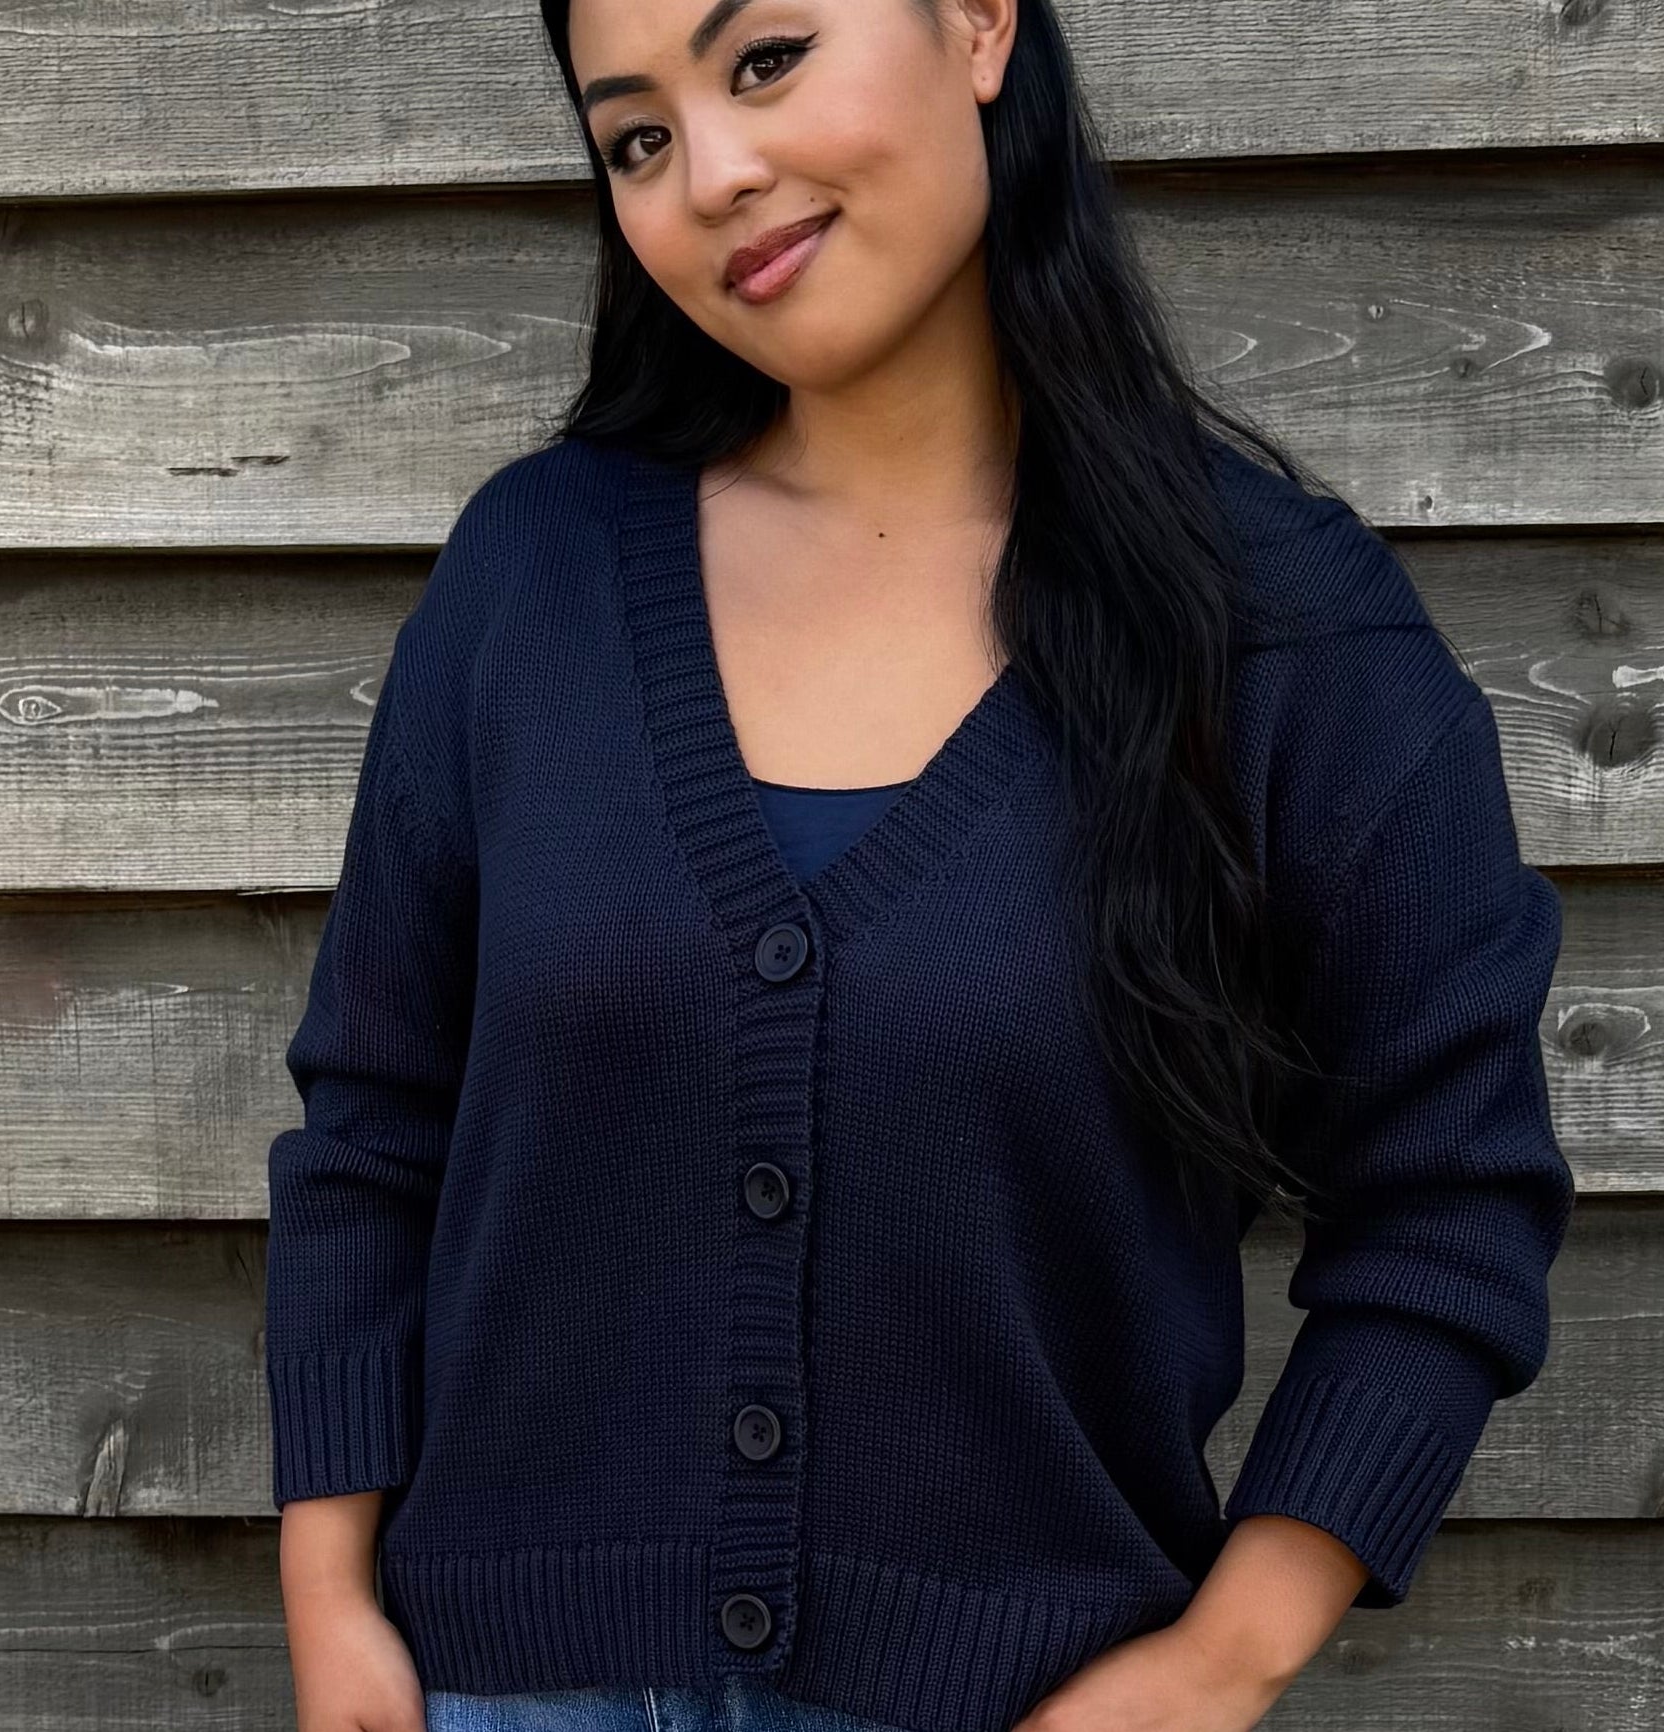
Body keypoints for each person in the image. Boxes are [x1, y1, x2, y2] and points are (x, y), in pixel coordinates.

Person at [264, 3, 1577, 1730]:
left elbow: (1449, 1198)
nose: (713, 174)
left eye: (766, 59)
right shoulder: (535, 582)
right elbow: (373, 1126)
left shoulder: (1286, 640)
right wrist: (330, 1594)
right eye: (636, 137)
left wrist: (1222, 1658)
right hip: (499, 1690)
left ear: (975, 24)